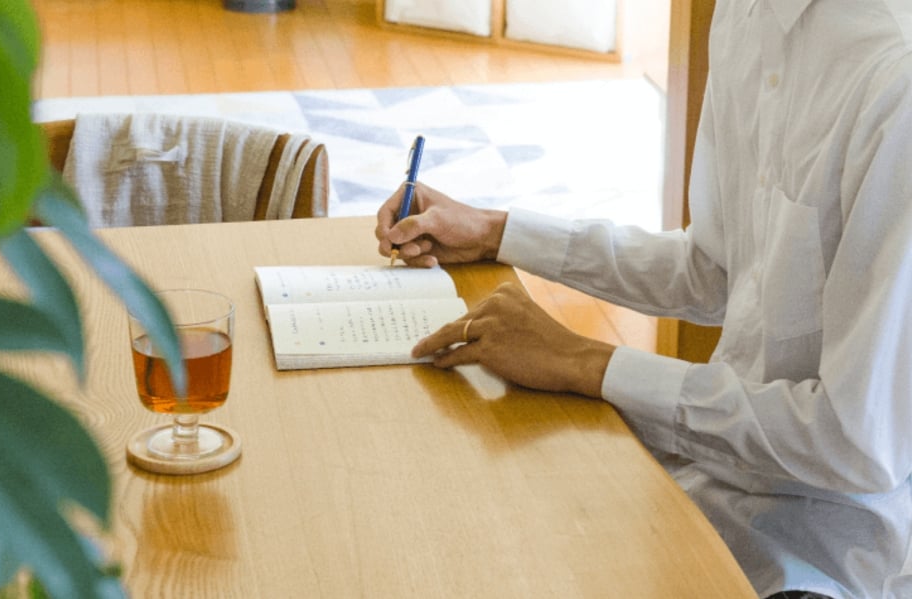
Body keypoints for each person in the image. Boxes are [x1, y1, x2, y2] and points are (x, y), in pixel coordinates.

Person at [375, 1, 912, 598]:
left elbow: (859, 443)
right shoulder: (744, 16)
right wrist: (497, 232)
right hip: (706, 476)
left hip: (824, 560)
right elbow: (714, 271)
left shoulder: (894, 74)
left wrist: (585, 362)